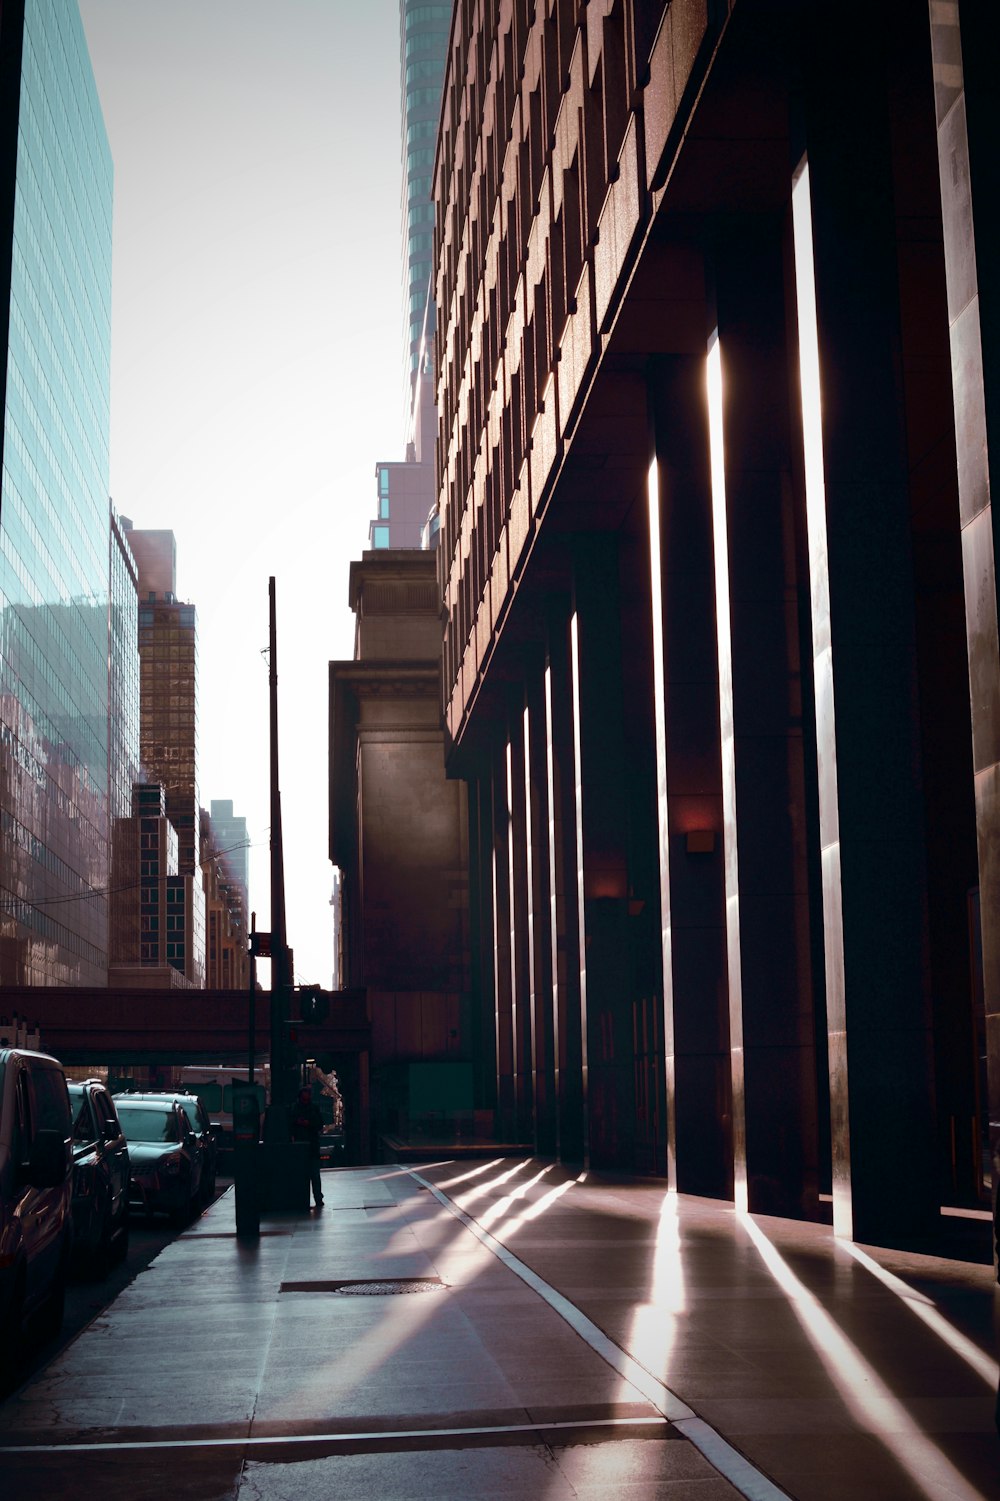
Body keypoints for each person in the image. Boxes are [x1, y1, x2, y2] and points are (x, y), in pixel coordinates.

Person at [289, 1085, 324, 1208]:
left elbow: (319, 1124)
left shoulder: (298, 1109)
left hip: (307, 1146)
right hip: (306, 1146)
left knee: (311, 1175)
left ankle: (314, 1198)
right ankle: (315, 1198)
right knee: (312, 1175)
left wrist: (307, 1123)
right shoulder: (310, 1109)